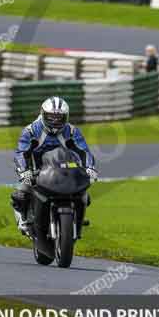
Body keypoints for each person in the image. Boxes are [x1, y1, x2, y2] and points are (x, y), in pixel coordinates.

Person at [11, 96, 98, 235]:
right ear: (43, 114)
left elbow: (84, 151)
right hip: (38, 172)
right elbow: (21, 153)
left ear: (66, 117)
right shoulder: (31, 131)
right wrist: (24, 171)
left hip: (65, 170)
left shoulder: (72, 131)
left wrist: (90, 168)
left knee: (84, 195)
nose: (55, 121)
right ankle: (23, 221)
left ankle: (78, 220)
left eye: (59, 118)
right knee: (20, 193)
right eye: (51, 117)